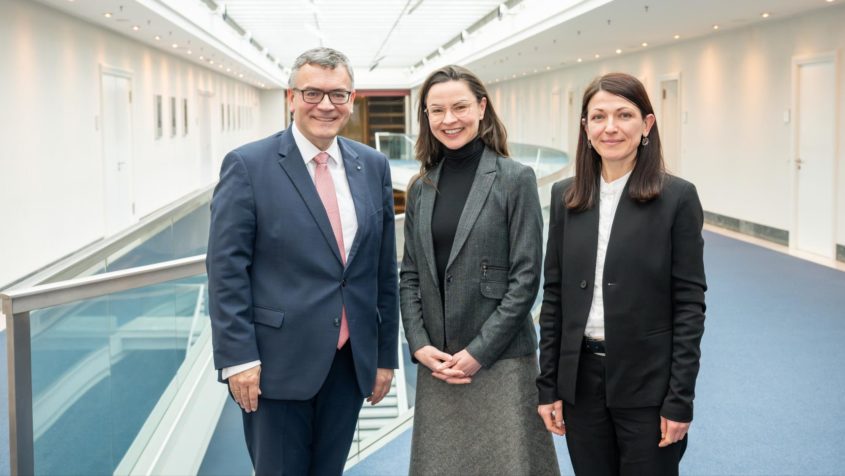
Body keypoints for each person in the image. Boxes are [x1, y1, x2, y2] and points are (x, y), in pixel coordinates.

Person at [206, 47, 399, 475]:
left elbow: (383, 270)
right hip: (274, 365)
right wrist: (239, 358)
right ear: (290, 97)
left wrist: (385, 356)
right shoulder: (248, 165)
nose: (326, 105)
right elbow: (226, 271)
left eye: (338, 94)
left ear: (352, 100)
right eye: (313, 93)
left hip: (349, 362)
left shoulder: (372, 165)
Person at [536, 72, 707, 476]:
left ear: (646, 124)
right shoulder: (566, 196)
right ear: (585, 127)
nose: (610, 127)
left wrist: (680, 398)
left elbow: (689, 306)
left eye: (624, 115)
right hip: (580, 383)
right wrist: (549, 386)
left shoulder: (677, 198)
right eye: (598, 117)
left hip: (648, 383)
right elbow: (555, 296)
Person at [400, 65, 559, 476]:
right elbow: (410, 276)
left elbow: (526, 281)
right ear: (426, 117)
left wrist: (478, 353)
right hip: (439, 361)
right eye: (437, 110)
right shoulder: (421, 187)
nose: (449, 119)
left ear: (482, 107)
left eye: (460, 107)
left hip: (500, 359)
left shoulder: (515, 179)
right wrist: (418, 345)